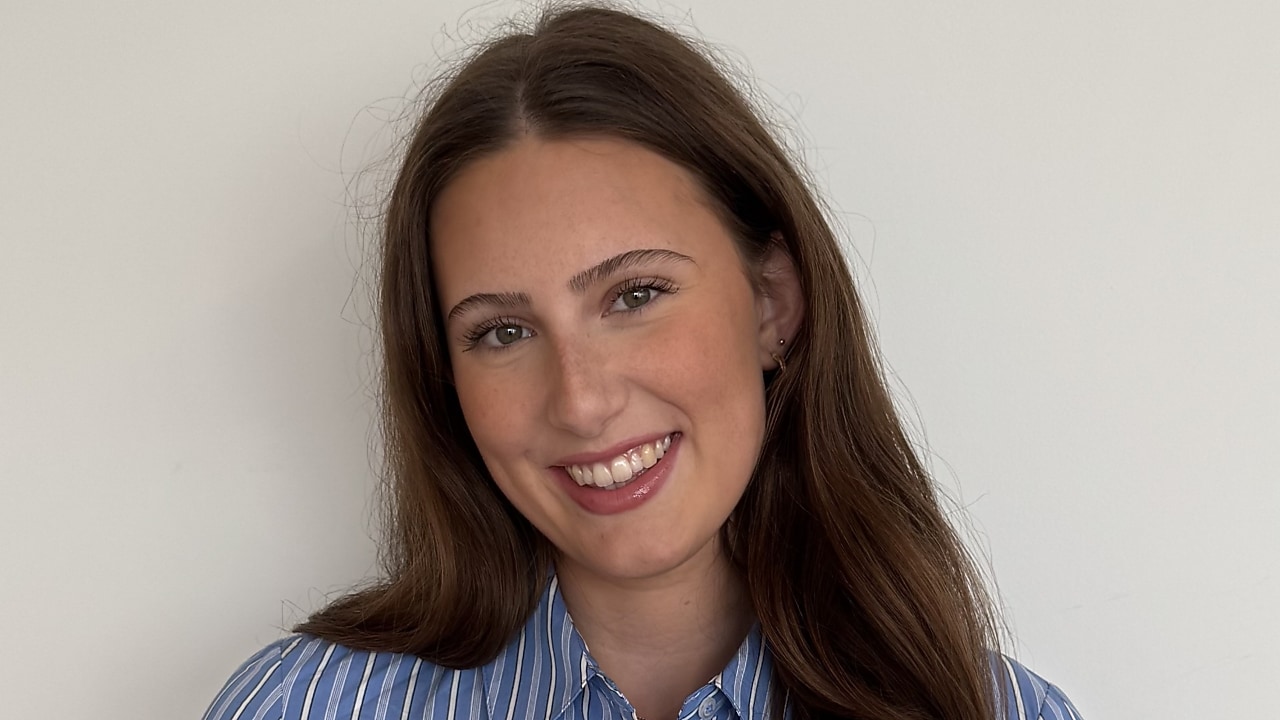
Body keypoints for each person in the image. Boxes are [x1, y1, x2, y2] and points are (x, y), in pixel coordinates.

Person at [203, 5, 1082, 720]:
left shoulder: (990, 711)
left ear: (772, 302)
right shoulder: (305, 707)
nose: (580, 402)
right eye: (502, 333)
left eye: (634, 295)